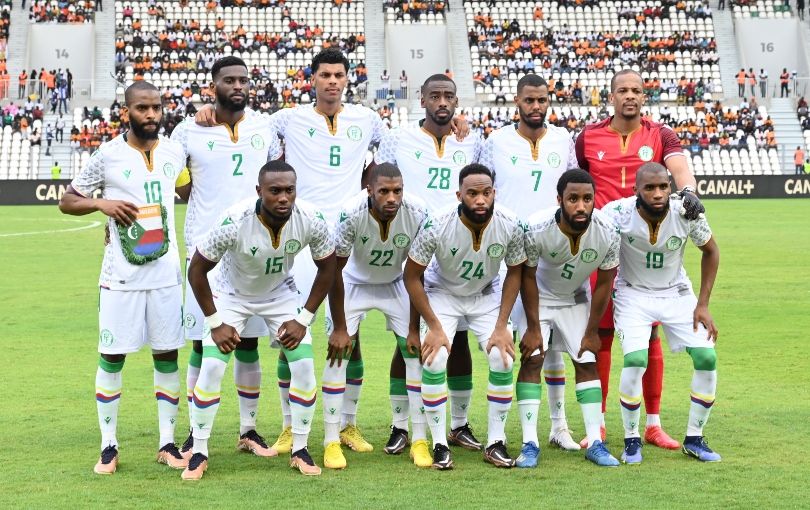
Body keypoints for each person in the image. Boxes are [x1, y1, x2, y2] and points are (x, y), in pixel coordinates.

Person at [58, 81, 189, 475]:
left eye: (156, 108)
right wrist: (103, 203)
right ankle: (108, 446)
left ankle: (167, 443)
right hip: (121, 277)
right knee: (112, 356)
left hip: (166, 275)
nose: (151, 115)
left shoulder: (174, 151)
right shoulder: (108, 156)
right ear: (127, 112)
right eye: (143, 108)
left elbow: (188, 191)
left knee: (167, 355)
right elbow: (68, 199)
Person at [574, 69, 705, 449]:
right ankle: (596, 423)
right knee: (600, 335)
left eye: (636, 90)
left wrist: (690, 192)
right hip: (603, 250)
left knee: (649, 336)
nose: (629, 96)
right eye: (622, 90)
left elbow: (680, 170)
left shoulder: (661, 134)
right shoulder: (587, 137)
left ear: (643, 96)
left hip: (646, 250)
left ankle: (652, 423)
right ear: (610, 96)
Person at [182, 161, 336, 479]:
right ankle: (199, 451)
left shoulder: (311, 219)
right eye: (274, 191)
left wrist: (304, 319)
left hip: (280, 296)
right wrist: (215, 323)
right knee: (212, 366)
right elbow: (196, 270)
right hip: (231, 296)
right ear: (259, 191)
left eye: (289, 190)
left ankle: (300, 449)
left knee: (305, 366)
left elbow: (329, 268)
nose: (283, 198)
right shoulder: (234, 220)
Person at [171, 56, 283, 460]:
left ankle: (248, 430)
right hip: (206, 254)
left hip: (253, 254)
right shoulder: (188, 130)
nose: (237, 86)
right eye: (229, 80)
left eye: (243, 80)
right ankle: (194, 433)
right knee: (204, 343)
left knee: (248, 342)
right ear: (213, 85)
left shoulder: (263, 126)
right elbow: (175, 179)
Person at [374, 74, 485, 462]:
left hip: (458, 249)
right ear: (421, 99)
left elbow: (483, 185)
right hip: (413, 250)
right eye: (434, 95)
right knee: (407, 341)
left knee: (461, 340)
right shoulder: (398, 138)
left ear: (457, 102)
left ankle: (458, 423)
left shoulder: (472, 139)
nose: (442, 102)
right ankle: (401, 426)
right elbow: (377, 182)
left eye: (448, 96)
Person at [480, 73, 582, 456]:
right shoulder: (496, 142)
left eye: (541, 100)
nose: (536, 106)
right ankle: (503, 433)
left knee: (554, 347)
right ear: (517, 102)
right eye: (529, 100)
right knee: (516, 347)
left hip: (554, 253)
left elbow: (572, 185)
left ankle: (559, 426)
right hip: (511, 258)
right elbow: (481, 187)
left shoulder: (563, 140)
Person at [404, 163, 526, 469]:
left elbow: (515, 272)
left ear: (494, 193)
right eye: (472, 194)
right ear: (460, 194)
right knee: (434, 359)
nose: (480, 200)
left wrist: (501, 326)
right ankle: (440, 444)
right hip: (443, 294)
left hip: (485, 295)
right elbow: (411, 276)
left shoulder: (510, 223)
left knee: (504, 357)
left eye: (486, 193)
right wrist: (432, 325)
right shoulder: (437, 223)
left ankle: (495, 442)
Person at [603, 162, 721, 464]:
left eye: (663, 187)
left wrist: (703, 304)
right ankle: (631, 440)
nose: (658, 194)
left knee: (707, 357)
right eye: (650, 188)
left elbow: (711, 251)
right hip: (632, 293)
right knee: (635, 359)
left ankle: (695, 437)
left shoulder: (687, 212)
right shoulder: (618, 213)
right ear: (636, 191)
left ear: (671, 187)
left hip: (677, 293)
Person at [322, 163, 428, 469]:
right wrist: (341, 327)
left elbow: (416, 271)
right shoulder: (349, 212)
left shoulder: (418, 211)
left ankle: (419, 440)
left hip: (398, 283)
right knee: (338, 354)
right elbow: (334, 270)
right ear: (370, 190)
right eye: (384, 191)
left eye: (397, 191)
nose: (392, 197)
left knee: (415, 354)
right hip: (353, 283)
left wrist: (413, 328)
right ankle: (332, 439)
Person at [518, 169, 621, 467]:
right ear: (559, 200)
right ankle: (529, 443)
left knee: (586, 359)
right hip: (538, 296)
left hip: (575, 298)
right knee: (533, 358)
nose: (580, 206)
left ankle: (596, 443)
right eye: (573, 199)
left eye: (587, 199)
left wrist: (592, 332)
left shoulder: (607, 231)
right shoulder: (537, 228)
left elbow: (604, 284)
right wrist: (534, 327)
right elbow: (526, 277)